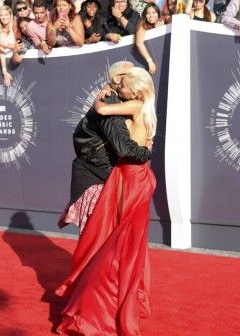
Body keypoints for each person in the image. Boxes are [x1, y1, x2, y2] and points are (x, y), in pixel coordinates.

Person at [56, 66, 157, 336]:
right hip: (135, 177)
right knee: (127, 246)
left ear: (133, 89)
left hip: (129, 176)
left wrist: (99, 100)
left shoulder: (130, 105)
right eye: (119, 82)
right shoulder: (144, 105)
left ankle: (99, 304)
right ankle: (122, 300)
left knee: (111, 245)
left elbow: (114, 131)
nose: (119, 87)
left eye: (123, 84)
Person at [58, 61, 152, 232]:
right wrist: (146, 153)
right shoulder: (111, 100)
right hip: (99, 177)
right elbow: (124, 148)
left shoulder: (126, 103)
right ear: (119, 79)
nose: (136, 76)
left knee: (109, 235)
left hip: (111, 175)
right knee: (99, 235)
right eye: (131, 75)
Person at [135, 3, 164, 75]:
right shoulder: (142, 23)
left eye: (154, 13)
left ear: (158, 14)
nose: (151, 16)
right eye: (148, 13)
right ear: (145, 15)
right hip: (146, 61)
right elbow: (139, 44)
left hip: (161, 59)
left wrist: (159, 28)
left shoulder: (162, 22)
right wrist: (150, 62)